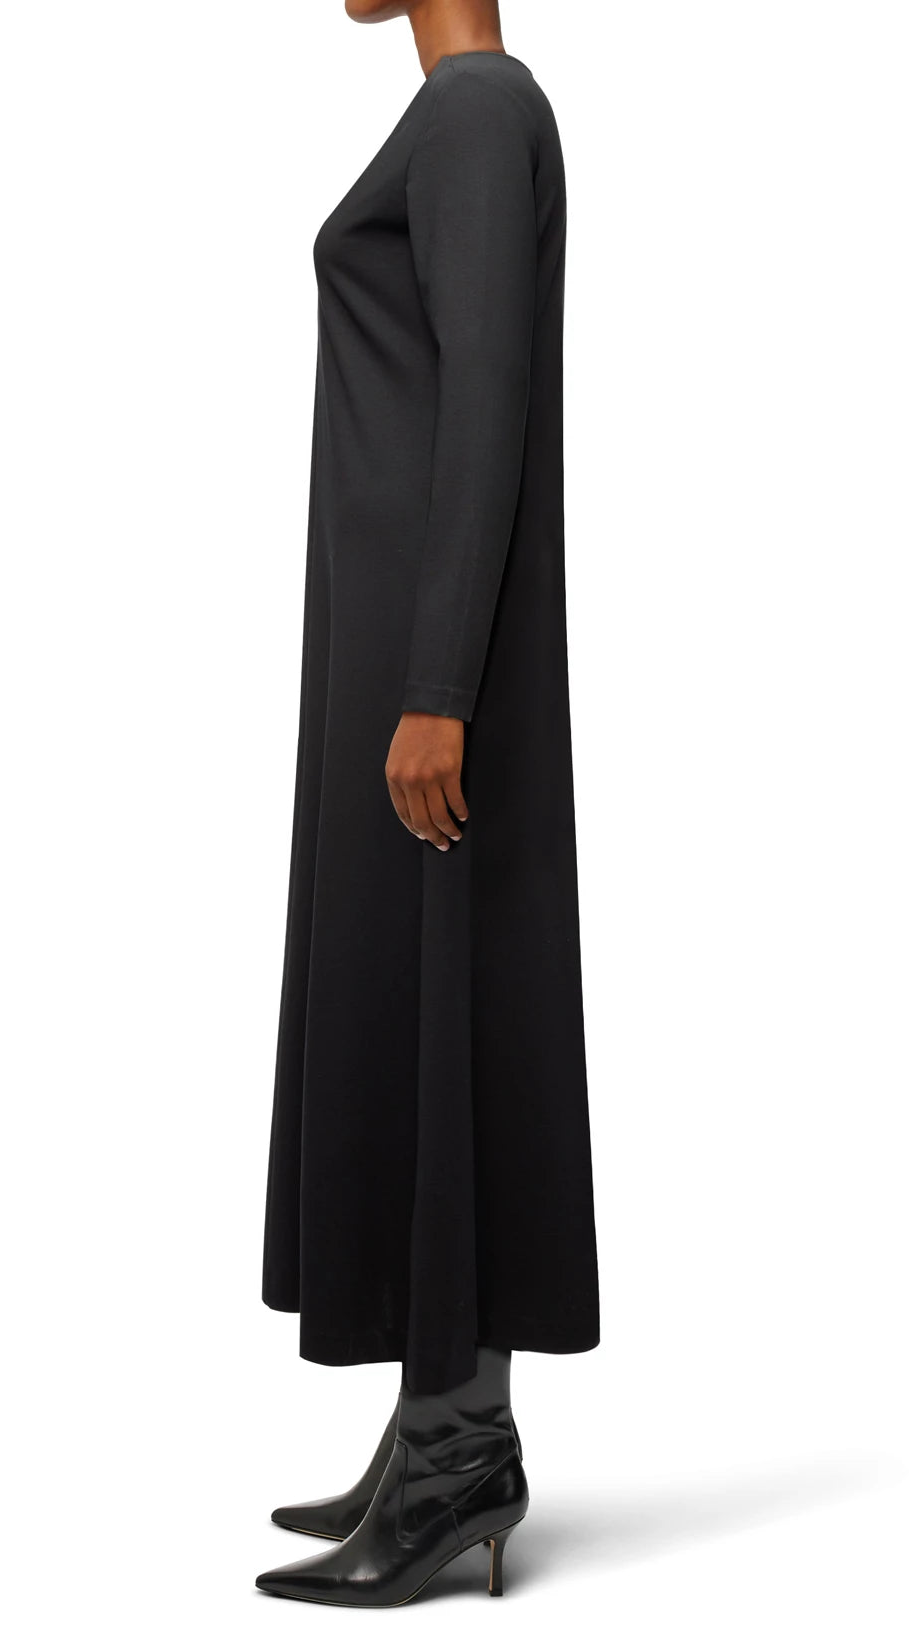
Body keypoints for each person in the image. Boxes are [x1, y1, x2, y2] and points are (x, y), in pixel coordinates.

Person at [257, 0, 600, 1607]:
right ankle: (432, 1428)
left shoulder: (475, 111)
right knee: (411, 1012)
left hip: (424, 666)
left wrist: (439, 686)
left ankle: (464, 1452)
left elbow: (486, 401)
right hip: (400, 650)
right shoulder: (467, 114)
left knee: (445, 1013)